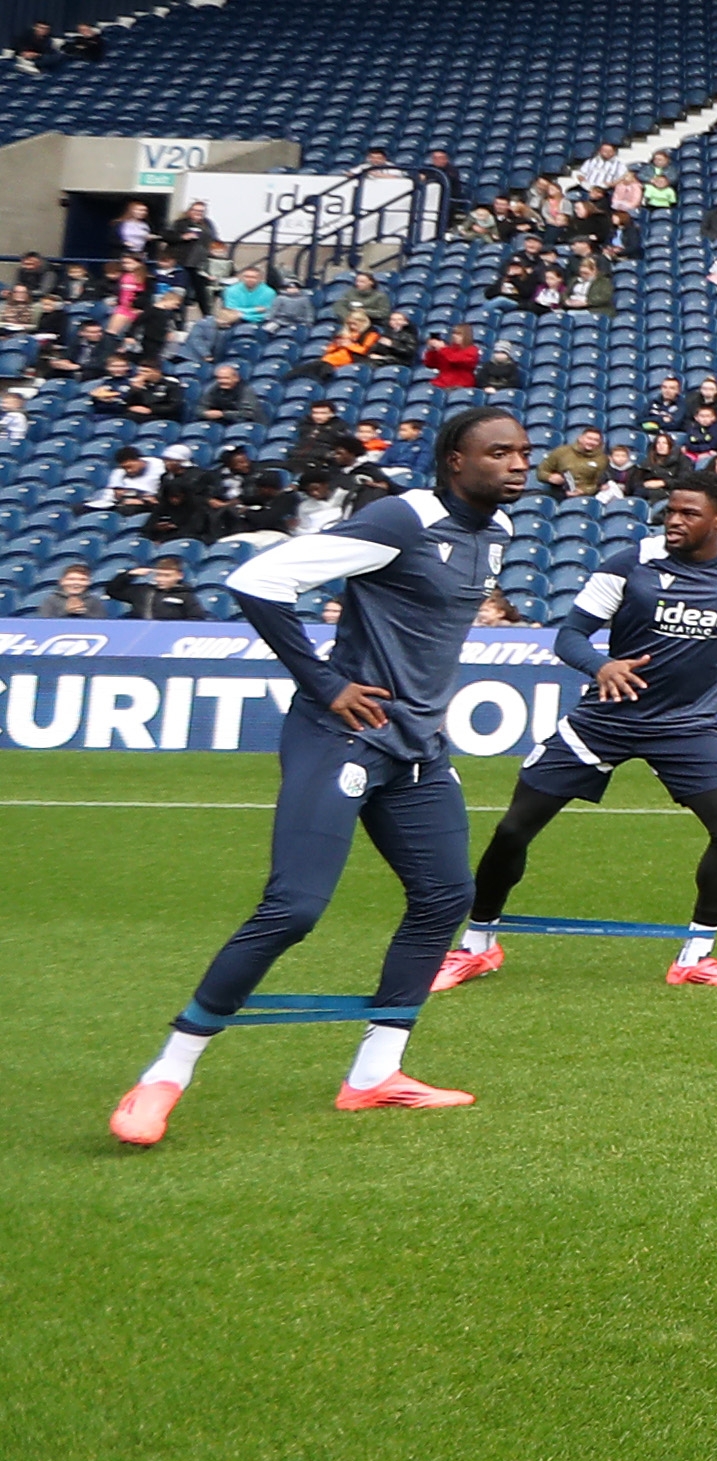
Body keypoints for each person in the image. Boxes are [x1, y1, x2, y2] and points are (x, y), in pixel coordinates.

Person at [108, 405, 533, 1147]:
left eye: (523, 452)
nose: (519, 463)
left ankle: (374, 1073)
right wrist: (323, 681)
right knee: (295, 908)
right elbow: (259, 579)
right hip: (342, 732)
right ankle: (165, 1074)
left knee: (444, 897)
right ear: (455, 462)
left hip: (416, 746)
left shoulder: (495, 533)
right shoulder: (403, 519)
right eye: (499, 452)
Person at [438, 470, 717, 996]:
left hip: (686, 726)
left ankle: (696, 956)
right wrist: (601, 667)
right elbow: (570, 636)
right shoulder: (631, 563)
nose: (674, 520)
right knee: (515, 828)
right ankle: (477, 946)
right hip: (606, 718)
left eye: (688, 513)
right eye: (671, 510)